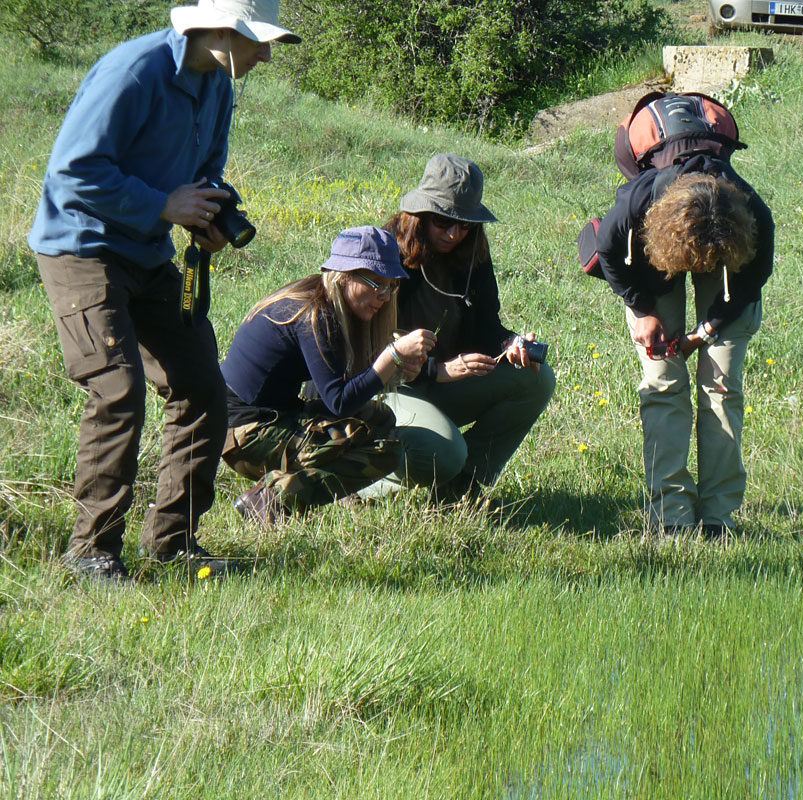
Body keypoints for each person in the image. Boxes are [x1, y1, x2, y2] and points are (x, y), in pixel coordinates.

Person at [27, 0, 300, 582]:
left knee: (203, 384)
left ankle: (173, 543)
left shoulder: (219, 84)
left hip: (148, 253)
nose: (267, 54)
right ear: (223, 32)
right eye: (259, 40)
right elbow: (72, 172)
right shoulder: (135, 72)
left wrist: (205, 214)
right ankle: (90, 551)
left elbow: (206, 171)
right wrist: (163, 205)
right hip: (83, 247)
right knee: (118, 391)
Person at [591, 151, 774, 539]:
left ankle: (718, 520)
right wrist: (642, 310)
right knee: (663, 384)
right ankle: (670, 517)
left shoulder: (753, 216)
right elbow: (606, 252)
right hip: (656, 257)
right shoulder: (634, 208)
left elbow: (751, 281)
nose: (697, 272)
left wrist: (705, 331)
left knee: (721, 386)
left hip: (728, 258)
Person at [364, 153, 556, 503]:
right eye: (442, 221)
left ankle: (461, 484)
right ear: (420, 214)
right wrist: (436, 370)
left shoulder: (472, 254)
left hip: (442, 382)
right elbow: (364, 353)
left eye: (465, 224)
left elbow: (486, 325)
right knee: (447, 451)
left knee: (537, 378)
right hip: (384, 391)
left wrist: (509, 342)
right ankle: (358, 483)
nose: (454, 233)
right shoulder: (384, 252)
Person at [221, 226, 436, 524]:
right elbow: (338, 402)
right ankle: (271, 500)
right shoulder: (314, 315)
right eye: (376, 284)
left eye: (390, 286)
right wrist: (392, 356)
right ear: (344, 275)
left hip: (273, 412)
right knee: (384, 453)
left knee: (380, 418)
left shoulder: (326, 300)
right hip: (245, 431)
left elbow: (335, 387)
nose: (384, 296)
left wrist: (397, 371)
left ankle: (328, 491)